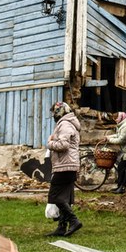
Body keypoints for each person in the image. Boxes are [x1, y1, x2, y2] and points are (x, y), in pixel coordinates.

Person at [46, 101, 82, 236]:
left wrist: (50, 143)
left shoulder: (65, 124)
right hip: (69, 165)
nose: (53, 116)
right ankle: (62, 227)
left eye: (54, 113)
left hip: (65, 166)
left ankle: (74, 221)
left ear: (59, 112)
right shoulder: (69, 123)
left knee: (55, 195)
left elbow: (64, 145)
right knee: (65, 197)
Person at [106, 112, 126, 193]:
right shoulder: (121, 125)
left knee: (122, 168)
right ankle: (120, 187)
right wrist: (108, 137)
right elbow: (118, 135)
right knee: (122, 168)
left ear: (121, 118)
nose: (115, 120)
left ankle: (121, 188)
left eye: (116, 118)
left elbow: (121, 140)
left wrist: (109, 140)